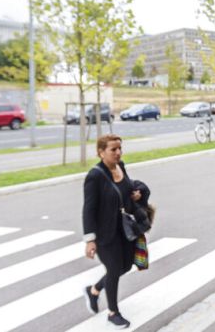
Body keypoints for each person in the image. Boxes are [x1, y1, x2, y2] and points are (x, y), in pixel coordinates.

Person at [82, 134, 141, 329]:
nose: (118, 153)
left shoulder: (120, 166)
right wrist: (90, 239)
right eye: (113, 150)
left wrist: (136, 193)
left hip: (123, 228)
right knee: (114, 269)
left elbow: (127, 188)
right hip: (104, 233)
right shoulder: (95, 176)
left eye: (119, 149)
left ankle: (94, 290)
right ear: (101, 152)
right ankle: (113, 312)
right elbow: (88, 209)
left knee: (125, 266)